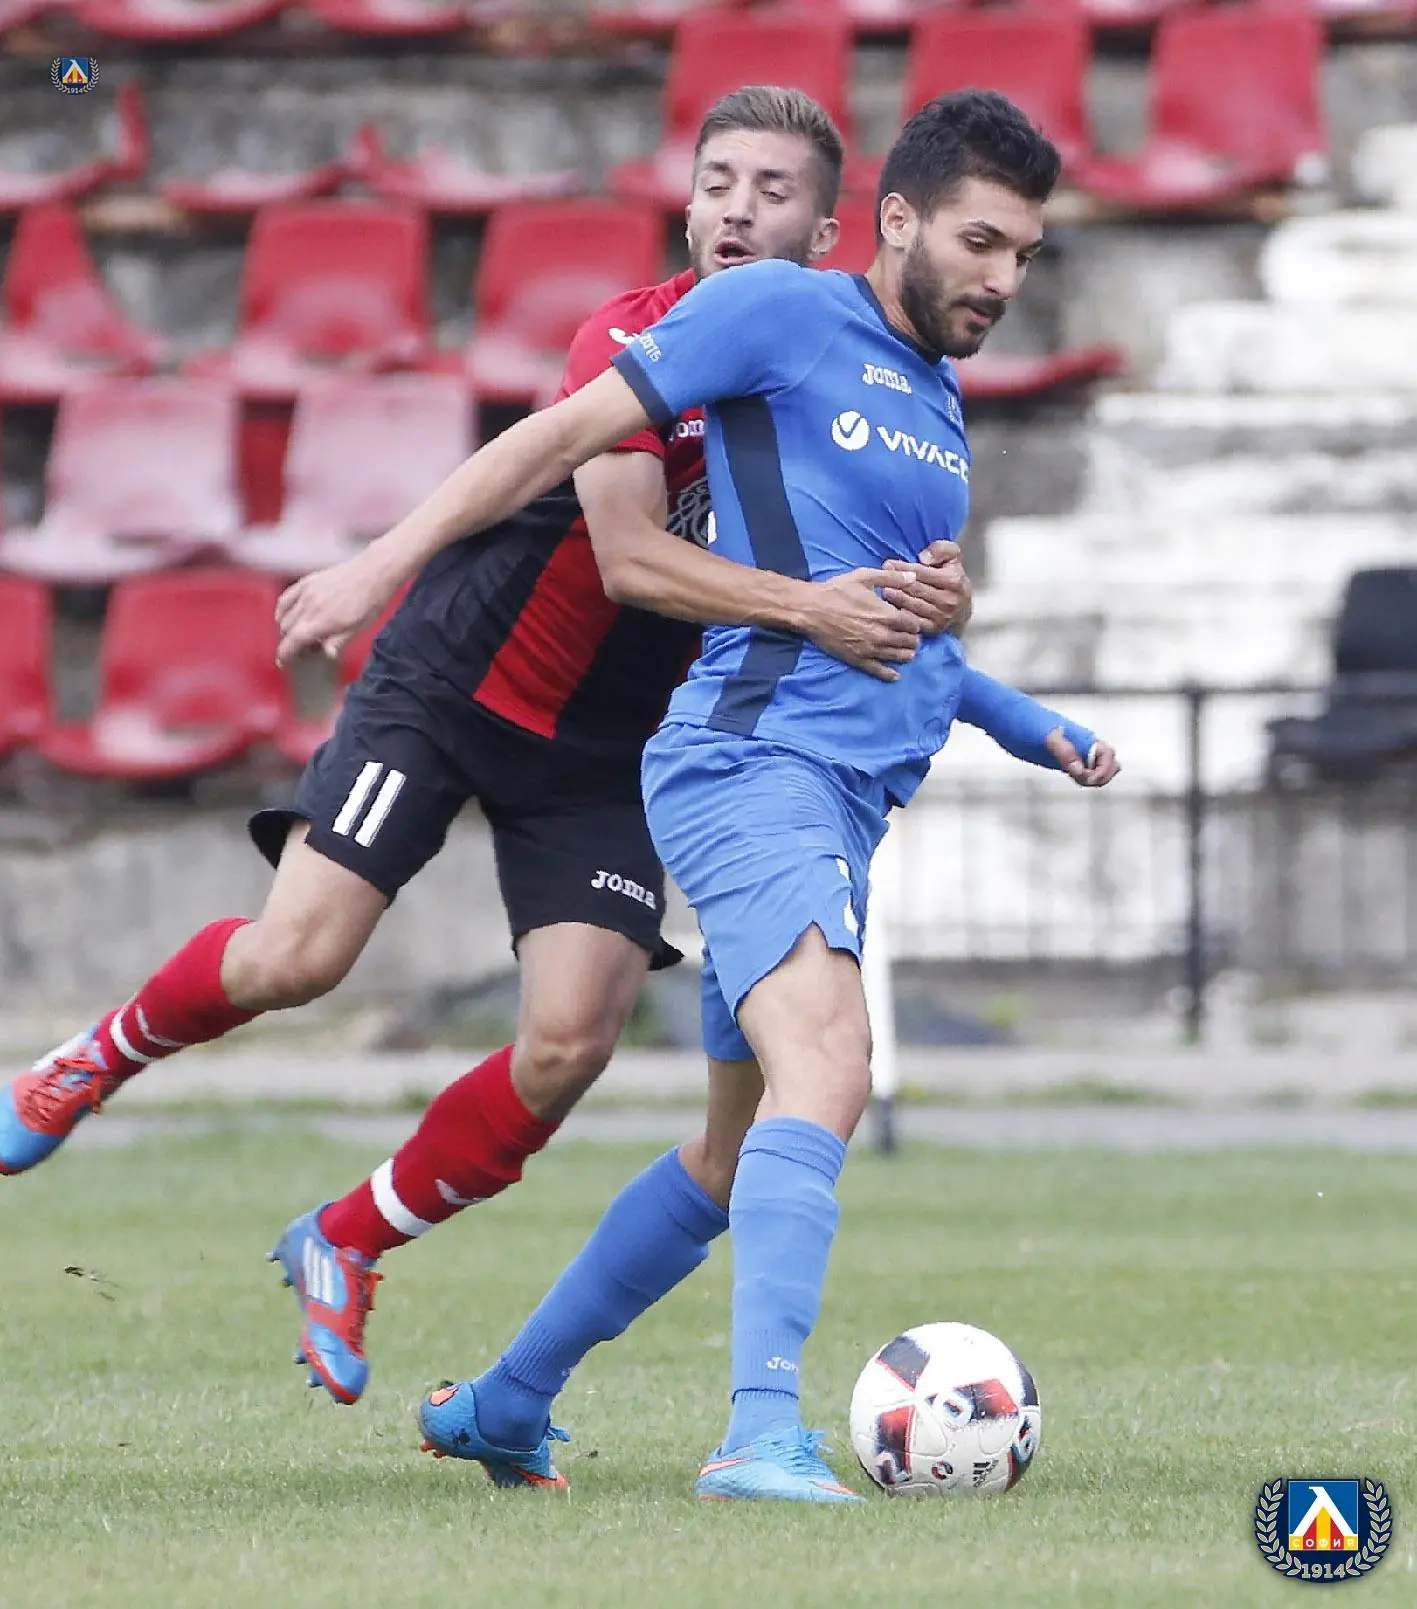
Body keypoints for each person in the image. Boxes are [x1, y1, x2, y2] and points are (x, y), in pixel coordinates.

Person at [0, 89, 970, 1394]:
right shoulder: (633, 337)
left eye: (773, 190)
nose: (738, 209)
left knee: (573, 1043)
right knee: (298, 958)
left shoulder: (838, 383)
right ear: (687, 201)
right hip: (458, 684)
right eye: (718, 182)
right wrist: (374, 567)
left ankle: (348, 1239)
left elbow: (887, 569)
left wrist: (937, 600)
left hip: (608, 753)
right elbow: (629, 560)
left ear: (827, 229)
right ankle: (89, 1060)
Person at [271, 89, 1119, 1502]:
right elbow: (551, 441)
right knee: (829, 1068)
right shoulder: (775, 311)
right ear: (896, 221)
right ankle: (760, 1435)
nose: (1003, 279)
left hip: (836, 800)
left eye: (1024, 255)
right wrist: (378, 565)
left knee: (731, 1157)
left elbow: (900, 633)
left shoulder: (936, 403)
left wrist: (1033, 726)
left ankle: (506, 1402)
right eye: (981, 242)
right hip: (751, 766)